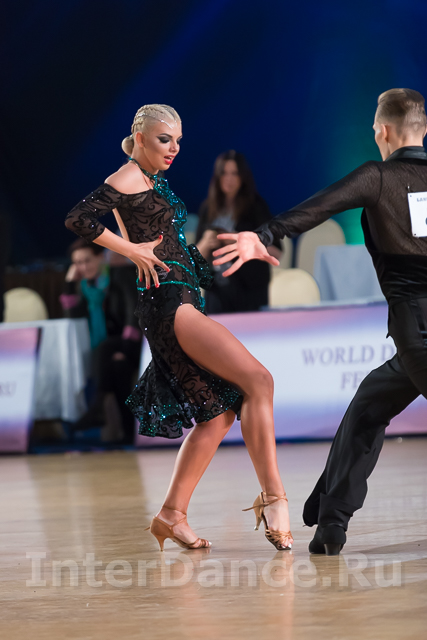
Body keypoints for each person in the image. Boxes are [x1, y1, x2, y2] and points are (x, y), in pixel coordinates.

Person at [65, 104, 293, 551]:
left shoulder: (152, 179)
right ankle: (274, 498)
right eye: (164, 139)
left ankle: (171, 515)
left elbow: (170, 244)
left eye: (178, 141)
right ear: (140, 137)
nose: (174, 148)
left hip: (180, 297)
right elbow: (79, 219)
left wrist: (216, 250)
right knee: (259, 381)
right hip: (169, 304)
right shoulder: (127, 177)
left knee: (218, 416)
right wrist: (130, 250)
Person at [213, 88, 427, 555]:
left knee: (371, 405)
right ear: (424, 129)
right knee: (369, 405)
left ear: (381, 131)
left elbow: (319, 207)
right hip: (414, 337)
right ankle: (331, 521)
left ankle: (330, 515)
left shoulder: (377, 177)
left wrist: (263, 235)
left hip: (417, 328)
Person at [60, 237, 141, 443]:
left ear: (100, 257)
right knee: (118, 368)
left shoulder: (119, 274)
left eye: (87, 260)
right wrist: (69, 284)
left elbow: (134, 312)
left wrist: (124, 348)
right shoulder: (86, 287)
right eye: (78, 263)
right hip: (109, 351)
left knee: (108, 350)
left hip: (135, 343)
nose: (83, 267)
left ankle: (97, 408)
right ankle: (128, 434)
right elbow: (74, 318)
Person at [196, 151, 281, 313]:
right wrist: (206, 243)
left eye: (234, 173)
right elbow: (194, 259)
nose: (229, 179)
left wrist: (239, 242)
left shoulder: (256, 207)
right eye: (224, 173)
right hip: (216, 291)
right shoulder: (207, 208)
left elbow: (276, 252)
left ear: (243, 177)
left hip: (249, 291)